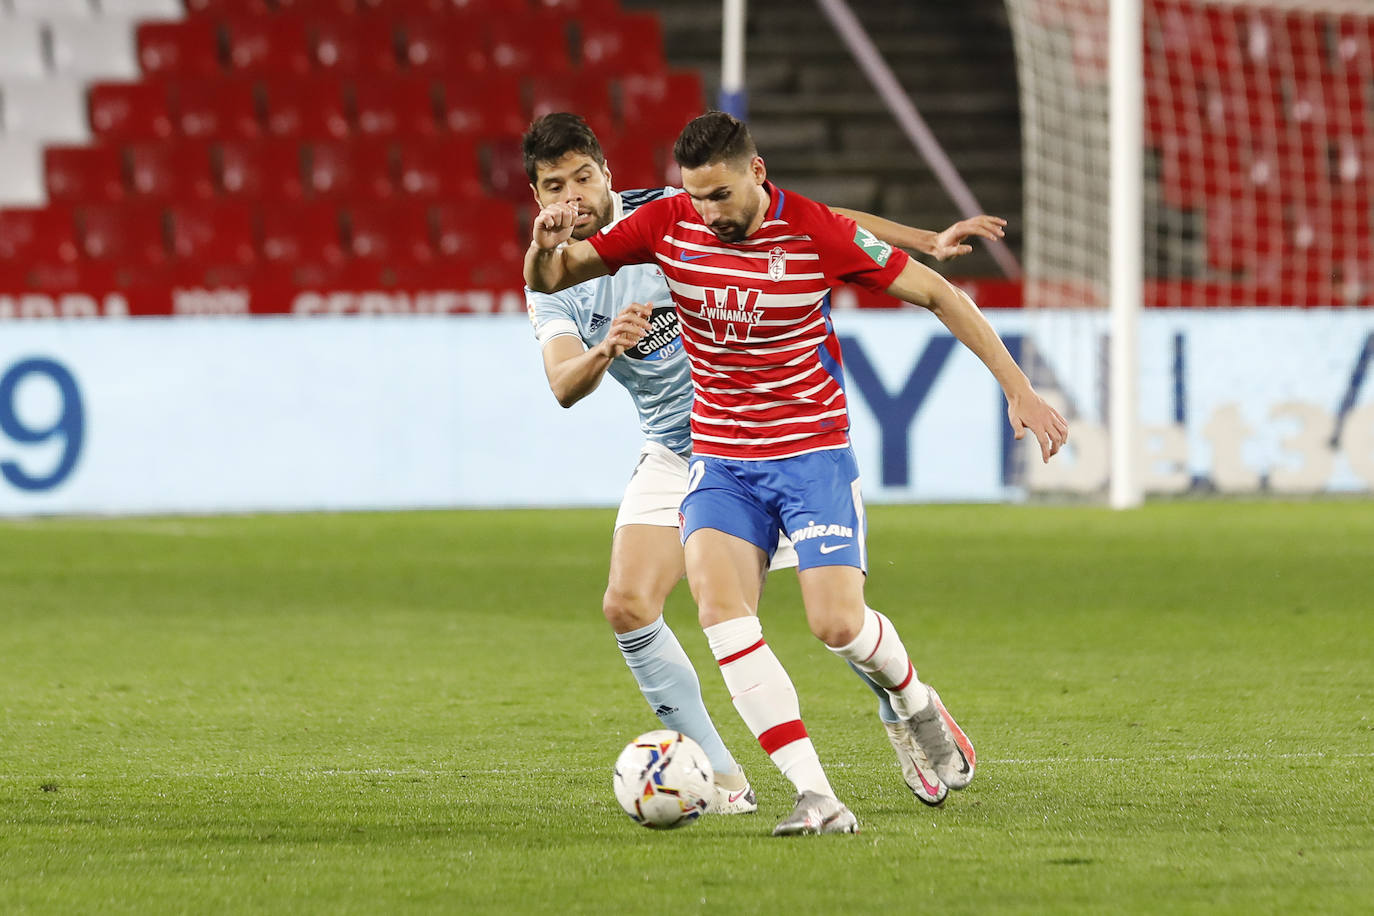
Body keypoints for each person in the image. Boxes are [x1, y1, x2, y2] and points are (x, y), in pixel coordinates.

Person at [525, 112, 1060, 834]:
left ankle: (909, 700)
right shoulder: (656, 230)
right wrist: (544, 260)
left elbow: (915, 278)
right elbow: (557, 295)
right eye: (553, 186)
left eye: (719, 197)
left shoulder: (773, 225)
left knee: (836, 625)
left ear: (756, 174)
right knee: (703, 611)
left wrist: (1014, 381)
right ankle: (808, 793)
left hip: (808, 451)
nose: (707, 214)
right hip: (710, 457)